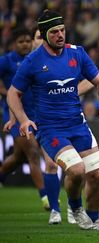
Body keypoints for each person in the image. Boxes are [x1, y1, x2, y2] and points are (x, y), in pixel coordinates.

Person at [7, 10, 99, 230]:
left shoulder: (77, 53)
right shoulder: (33, 61)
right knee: (76, 170)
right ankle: (75, 208)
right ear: (45, 34)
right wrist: (24, 120)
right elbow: (12, 93)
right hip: (51, 129)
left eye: (62, 30)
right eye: (54, 32)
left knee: (96, 175)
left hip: (78, 124)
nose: (60, 35)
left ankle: (94, 221)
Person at [0, 27, 49, 210]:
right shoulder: (6, 61)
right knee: (33, 153)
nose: (25, 44)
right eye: (21, 41)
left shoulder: (36, 60)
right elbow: (12, 91)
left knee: (19, 157)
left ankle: (1, 175)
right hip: (16, 115)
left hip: (36, 113)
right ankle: (46, 198)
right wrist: (7, 93)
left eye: (28, 41)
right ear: (14, 44)